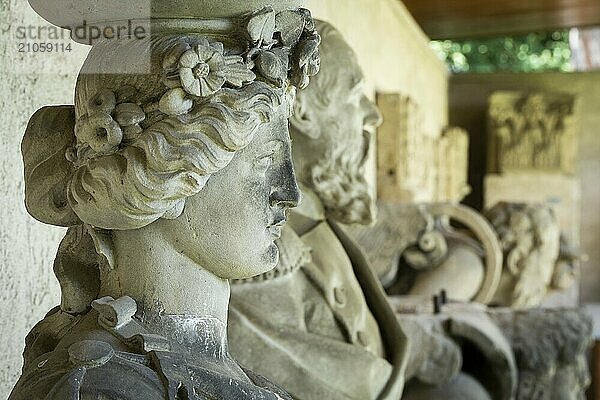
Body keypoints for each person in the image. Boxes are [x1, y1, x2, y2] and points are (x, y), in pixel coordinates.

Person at [10, 2, 320, 399]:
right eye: (266, 161)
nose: (290, 194)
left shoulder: (227, 377)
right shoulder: (103, 390)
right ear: (160, 172)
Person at [228, 21, 408, 400]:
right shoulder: (257, 248)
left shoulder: (319, 223)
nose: (372, 115)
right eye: (355, 92)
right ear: (303, 111)